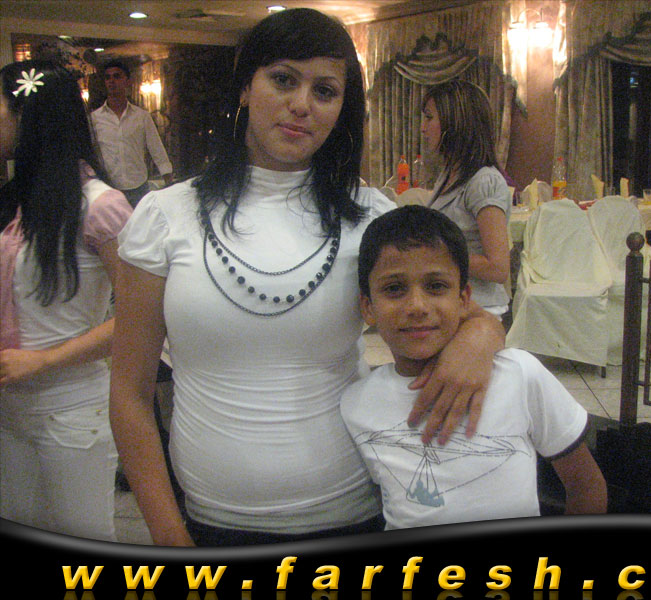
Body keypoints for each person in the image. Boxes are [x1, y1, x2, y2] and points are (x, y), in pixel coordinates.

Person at [109, 8, 505, 547]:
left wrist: (480, 338)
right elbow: (130, 393)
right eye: (283, 79)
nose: (302, 104)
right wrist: (166, 532)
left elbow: (469, 314)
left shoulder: (370, 215)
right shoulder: (165, 216)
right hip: (209, 523)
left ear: (342, 108)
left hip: (355, 510)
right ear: (246, 87)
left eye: (325, 91)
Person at [341, 205, 607, 529]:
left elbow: (587, 487)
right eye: (394, 289)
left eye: (436, 286)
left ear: (464, 298)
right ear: (368, 307)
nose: (417, 306)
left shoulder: (519, 375)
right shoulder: (355, 404)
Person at [0, 60, 132, 540]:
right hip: (9, 406)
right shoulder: (17, 201)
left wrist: (45, 360)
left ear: (27, 115)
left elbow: (141, 318)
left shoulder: (99, 206)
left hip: (71, 407)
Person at [421, 80, 511, 317]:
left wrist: (433, 254)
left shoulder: (483, 181)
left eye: (429, 117)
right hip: (454, 303)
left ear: (454, 122)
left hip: (479, 309)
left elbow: (498, 267)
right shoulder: (450, 175)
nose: (423, 128)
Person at [91, 59, 173, 207]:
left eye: (117, 76)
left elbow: (157, 149)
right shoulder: (95, 119)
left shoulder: (141, 117)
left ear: (127, 81)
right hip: (109, 189)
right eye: (108, 77)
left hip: (138, 189)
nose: (111, 81)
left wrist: (168, 181)